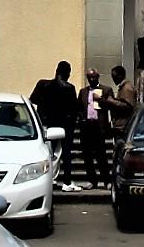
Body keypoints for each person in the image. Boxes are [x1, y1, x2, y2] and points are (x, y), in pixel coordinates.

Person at [30, 61, 79, 191]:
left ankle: (49, 179)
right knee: (65, 153)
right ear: (68, 73)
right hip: (64, 125)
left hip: (46, 123)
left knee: (47, 152)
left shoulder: (42, 84)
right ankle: (67, 182)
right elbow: (74, 108)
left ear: (56, 70)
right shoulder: (69, 88)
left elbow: (33, 100)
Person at [76, 68, 113, 189]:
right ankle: (92, 180)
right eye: (89, 77)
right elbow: (79, 107)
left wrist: (100, 100)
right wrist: (81, 118)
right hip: (87, 125)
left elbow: (111, 105)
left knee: (101, 155)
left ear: (98, 77)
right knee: (87, 156)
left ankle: (107, 180)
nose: (91, 79)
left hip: (99, 125)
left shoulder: (106, 90)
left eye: (94, 77)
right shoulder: (83, 92)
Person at [105, 65, 136, 133]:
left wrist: (112, 101)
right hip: (120, 124)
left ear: (120, 76)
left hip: (124, 125)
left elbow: (127, 106)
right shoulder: (123, 87)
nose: (113, 79)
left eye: (114, 76)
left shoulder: (127, 88)